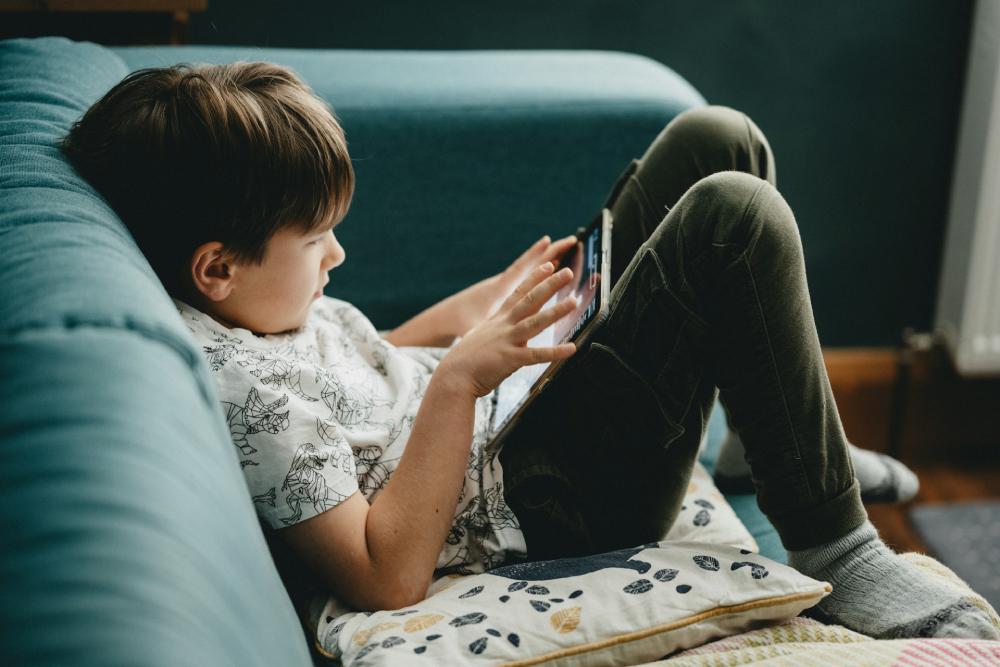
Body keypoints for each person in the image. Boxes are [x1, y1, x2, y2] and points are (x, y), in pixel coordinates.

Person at [58, 61, 998, 642]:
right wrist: (464, 377)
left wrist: (478, 313)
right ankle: (834, 534)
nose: (338, 257)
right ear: (216, 266)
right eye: (316, 242)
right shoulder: (244, 397)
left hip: (504, 418)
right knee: (732, 220)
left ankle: (751, 428)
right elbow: (387, 576)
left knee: (719, 139)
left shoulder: (243, 315)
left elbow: (362, 361)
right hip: (542, 497)